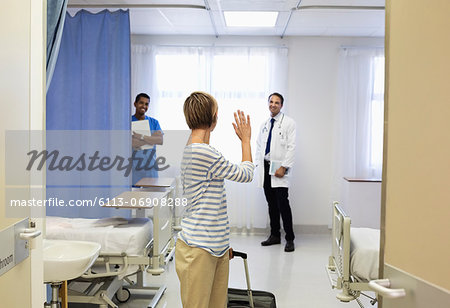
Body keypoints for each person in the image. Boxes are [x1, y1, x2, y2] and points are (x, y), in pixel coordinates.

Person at [176, 91, 254, 308]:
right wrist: (246, 140)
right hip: (198, 249)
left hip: (214, 246)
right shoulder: (203, 153)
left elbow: (212, 202)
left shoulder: (197, 149)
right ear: (214, 118)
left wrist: (222, 243)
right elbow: (246, 174)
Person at [255, 92, 296, 252]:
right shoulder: (265, 124)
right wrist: (258, 165)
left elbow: (292, 147)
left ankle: (290, 239)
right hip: (266, 168)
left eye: (277, 102)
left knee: (283, 204)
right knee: (271, 204)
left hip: (279, 168)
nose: (273, 105)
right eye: (271, 102)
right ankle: (274, 235)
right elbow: (259, 146)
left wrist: (284, 167)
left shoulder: (289, 123)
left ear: (281, 105)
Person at [131, 93, 163, 185]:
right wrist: (151, 139)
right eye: (141, 103)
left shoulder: (154, 122)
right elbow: (132, 143)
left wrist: (141, 136)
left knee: (152, 198)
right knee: (134, 198)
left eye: (146, 104)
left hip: (151, 169)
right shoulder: (128, 122)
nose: (144, 106)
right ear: (135, 104)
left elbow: (159, 140)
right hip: (134, 170)